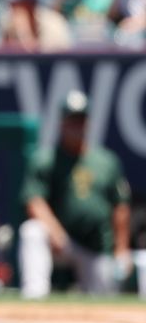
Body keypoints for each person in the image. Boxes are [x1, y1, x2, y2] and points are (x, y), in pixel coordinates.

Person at [18, 90, 132, 299]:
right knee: (32, 231)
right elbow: (34, 200)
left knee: (104, 300)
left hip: (96, 246)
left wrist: (121, 249)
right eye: (72, 121)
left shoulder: (106, 161)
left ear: (88, 123)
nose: (76, 127)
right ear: (62, 123)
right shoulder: (46, 159)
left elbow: (120, 207)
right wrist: (55, 232)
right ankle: (34, 296)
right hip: (62, 242)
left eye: (81, 121)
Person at [0, 0, 72, 53]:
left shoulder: (53, 22)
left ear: (29, 4)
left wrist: (24, 31)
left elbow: (43, 54)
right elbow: (4, 52)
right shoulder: (9, 21)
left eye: (15, 4)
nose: (11, 7)